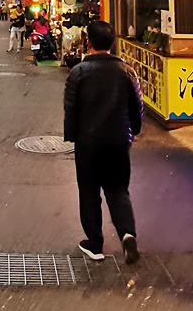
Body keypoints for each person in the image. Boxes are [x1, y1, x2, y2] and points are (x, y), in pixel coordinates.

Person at [64, 20, 143, 265]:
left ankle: (95, 244)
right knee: (118, 189)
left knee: (89, 192)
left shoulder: (78, 71)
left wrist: (73, 136)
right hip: (119, 141)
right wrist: (134, 131)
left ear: (88, 42)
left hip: (88, 143)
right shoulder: (127, 71)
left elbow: (70, 109)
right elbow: (137, 107)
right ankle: (127, 234)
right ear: (113, 43)